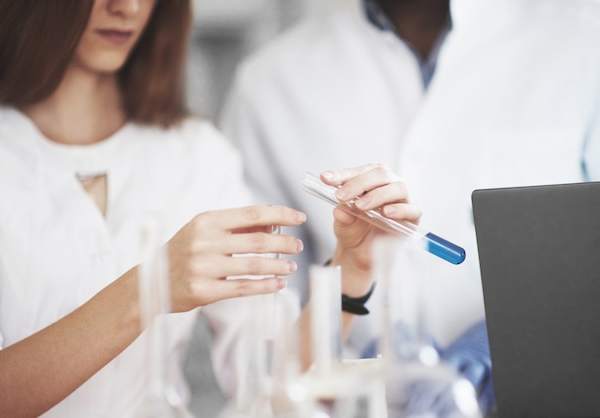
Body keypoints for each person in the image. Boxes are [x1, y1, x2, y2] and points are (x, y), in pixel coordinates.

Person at [0, 1, 422, 417]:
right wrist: (150, 287)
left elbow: (278, 385)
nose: (126, 7)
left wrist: (354, 267)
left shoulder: (196, 154)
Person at [221, 0, 600, 414]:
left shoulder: (583, 40)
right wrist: (355, 367)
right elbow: (258, 355)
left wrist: (488, 353)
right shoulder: (271, 81)